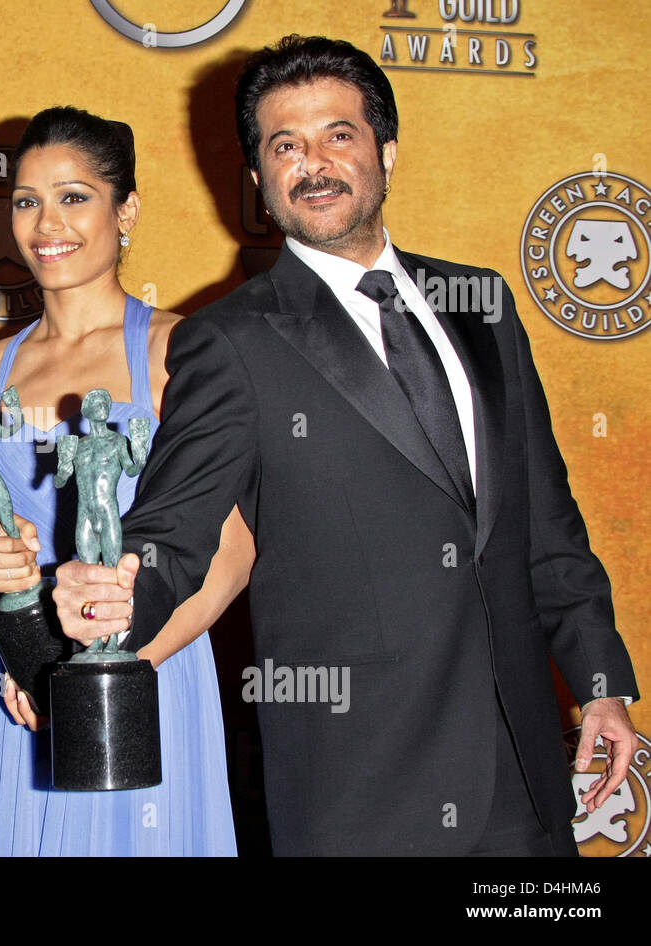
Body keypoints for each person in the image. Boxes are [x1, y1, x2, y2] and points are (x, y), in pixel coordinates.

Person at [55, 36, 639, 856]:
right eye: (284, 145)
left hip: (524, 775)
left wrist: (600, 686)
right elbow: (172, 533)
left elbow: (546, 520)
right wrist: (116, 596)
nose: (313, 164)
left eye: (338, 135)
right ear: (258, 178)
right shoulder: (231, 341)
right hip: (360, 791)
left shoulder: (484, 306)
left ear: (386, 152)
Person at [0, 107, 252, 856]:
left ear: (124, 210)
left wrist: (113, 673)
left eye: (74, 197)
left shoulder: (175, 352)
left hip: (141, 675)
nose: (46, 223)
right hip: (7, 684)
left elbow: (229, 555)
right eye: (28, 201)